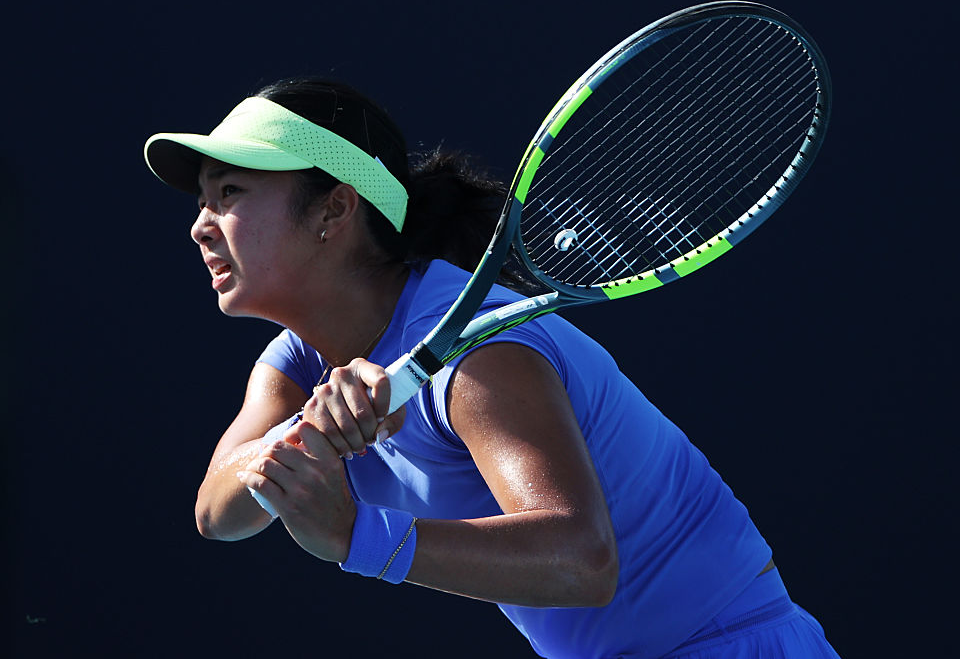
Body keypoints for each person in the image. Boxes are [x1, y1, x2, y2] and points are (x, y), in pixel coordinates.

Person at [144, 76, 841, 658]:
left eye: (230, 193)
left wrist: (356, 536)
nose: (201, 224)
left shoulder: (480, 355)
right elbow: (218, 511)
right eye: (203, 200)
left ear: (336, 208)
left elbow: (582, 561)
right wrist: (307, 432)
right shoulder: (299, 357)